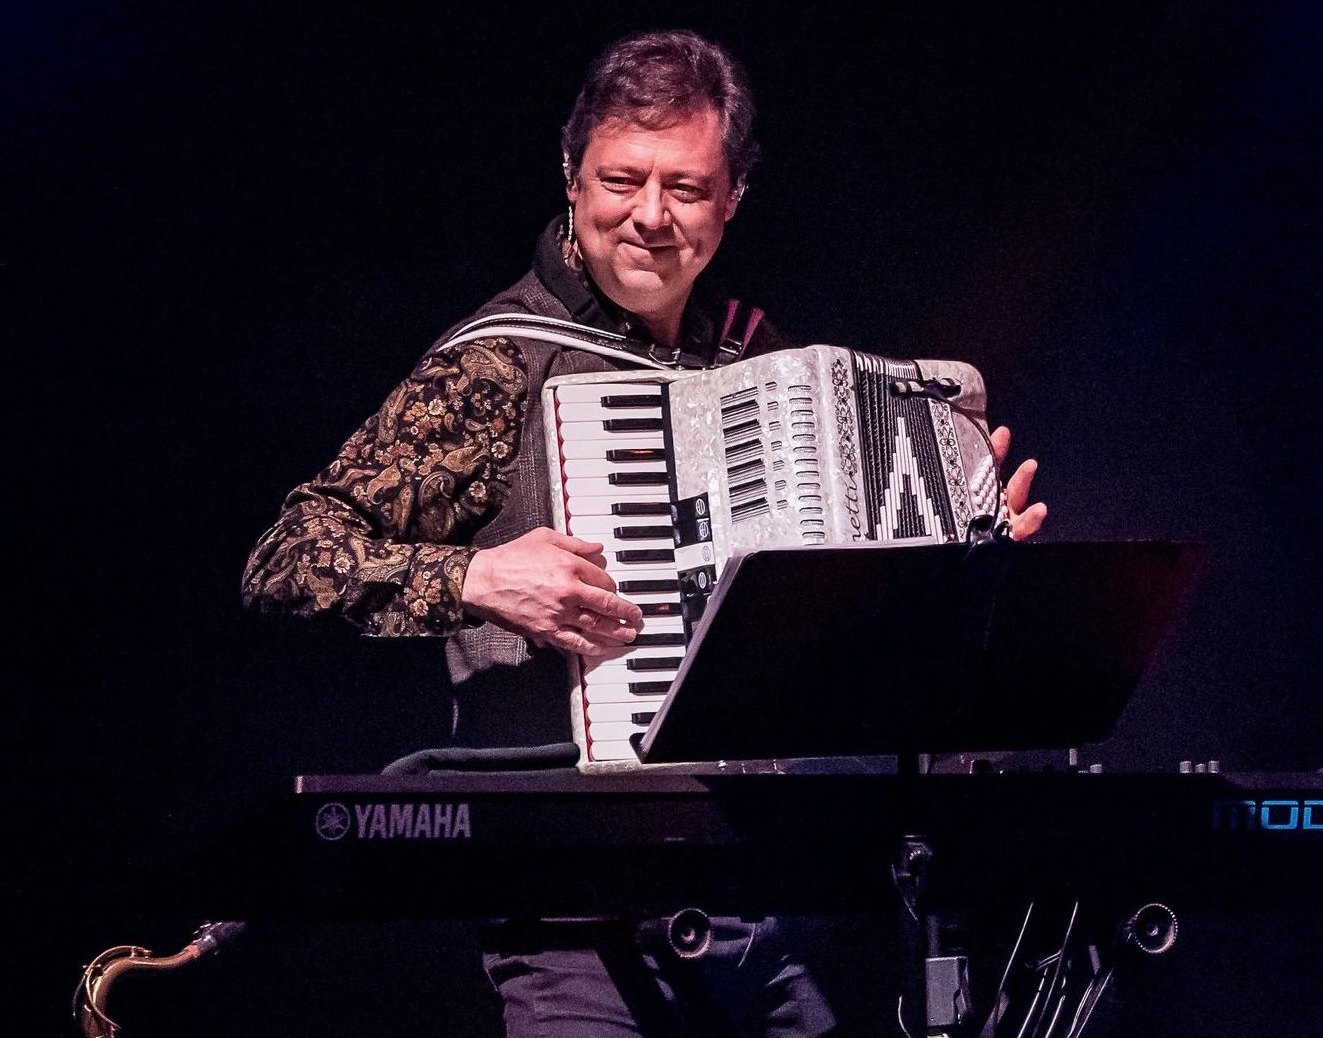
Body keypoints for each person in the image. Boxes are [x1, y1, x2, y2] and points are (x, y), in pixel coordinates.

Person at [243, 29, 1045, 1037]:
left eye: (687, 188)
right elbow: (287, 559)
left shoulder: (757, 361)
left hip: (753, 900)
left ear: (733, 198)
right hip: (573, 910)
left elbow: (828, 637)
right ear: (572, 176)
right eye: (622, 180)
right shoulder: (498, 366)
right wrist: (475, 578)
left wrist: (961, 555)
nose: (651, 217)